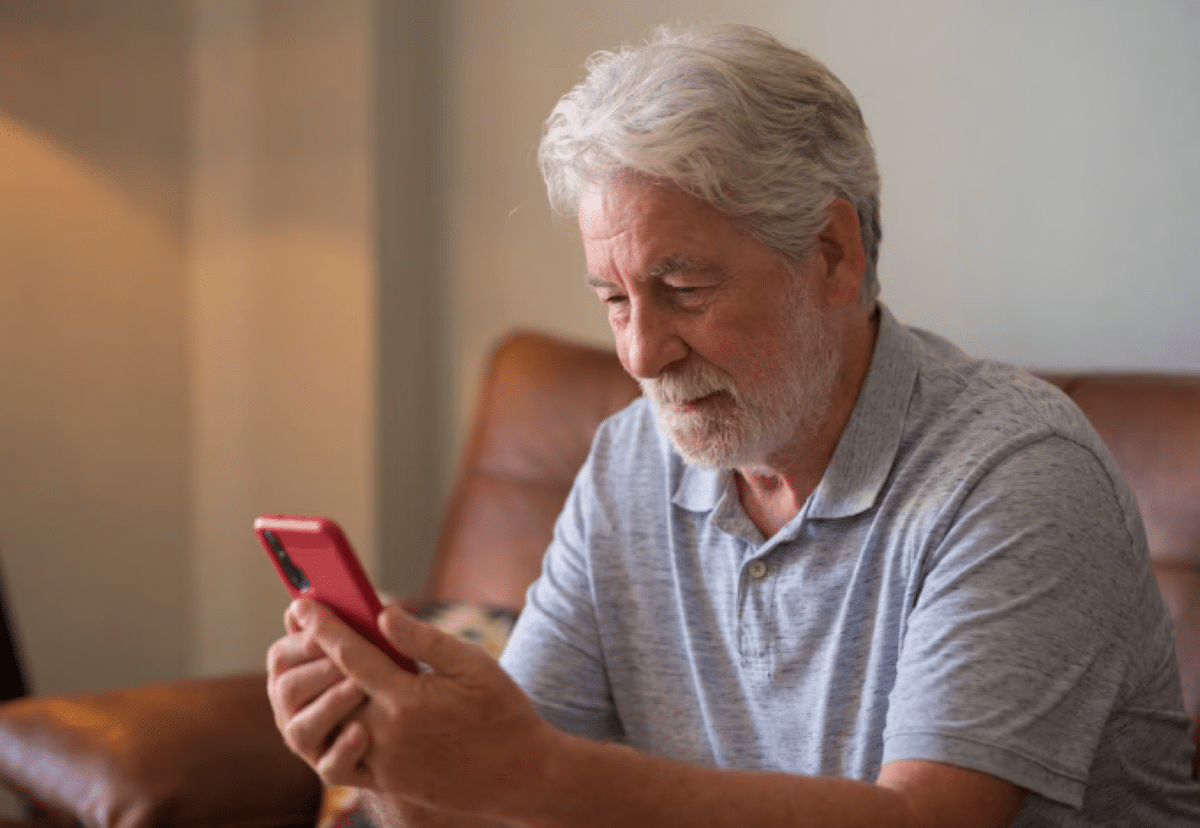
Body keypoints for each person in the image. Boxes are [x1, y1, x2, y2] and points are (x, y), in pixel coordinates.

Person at [267, 22, 1200, 827]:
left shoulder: (1016, 472)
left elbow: (932, 820)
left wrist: (535, 773)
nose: (639, 353)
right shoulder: (630, 460)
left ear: (833, 253)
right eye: (614, 299)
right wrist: (390, 759)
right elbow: (496, 803)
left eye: (683, 289)